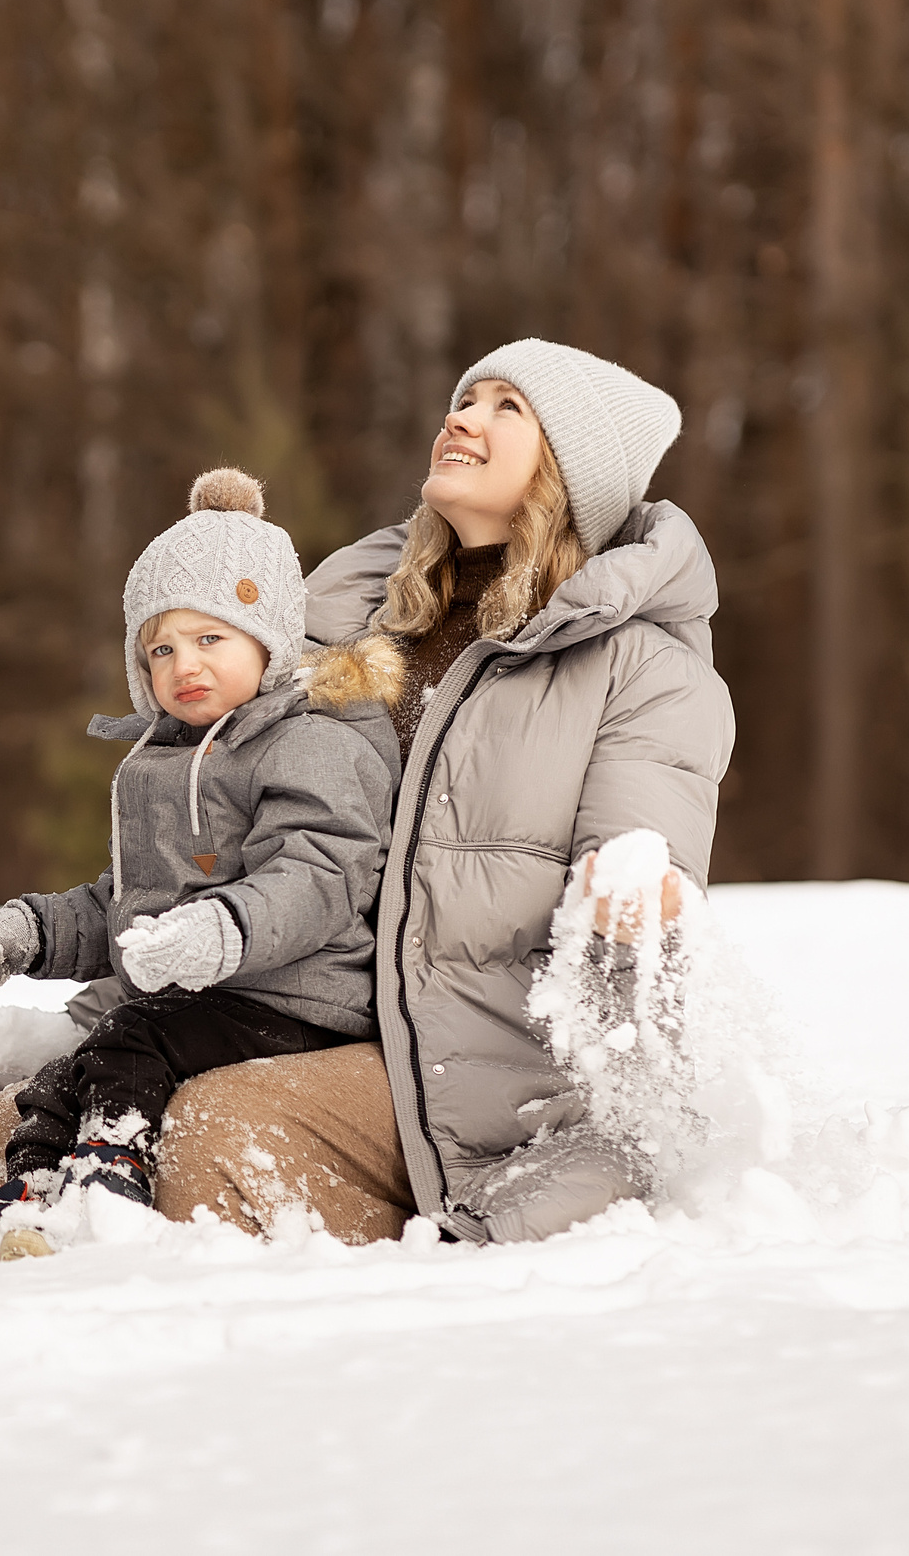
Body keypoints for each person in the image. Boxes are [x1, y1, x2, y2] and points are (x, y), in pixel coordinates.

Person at [146, 338, 736, 1245]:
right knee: (22, 1128)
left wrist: (633, 898)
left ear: (573, 470)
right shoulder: (355, 627)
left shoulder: (641, 668)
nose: (462, 418)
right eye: (466, 399)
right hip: (315, 1009)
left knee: (213, 1130)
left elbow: (641, 867)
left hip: (485, 1067)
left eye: (508, 407)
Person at [0, 467, 402, 1258]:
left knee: (124, 1043)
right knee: (69, 1071)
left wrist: (223, 929)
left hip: (296, 999)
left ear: (270, 641)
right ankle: (33, 1199)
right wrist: (35, 931)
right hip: (199, 1003)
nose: (185, 664)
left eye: (211, 638)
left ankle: (105, 1187)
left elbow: (322, 873)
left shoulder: (312, 742)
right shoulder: (163, 762)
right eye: (162, 647)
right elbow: (132, 903)